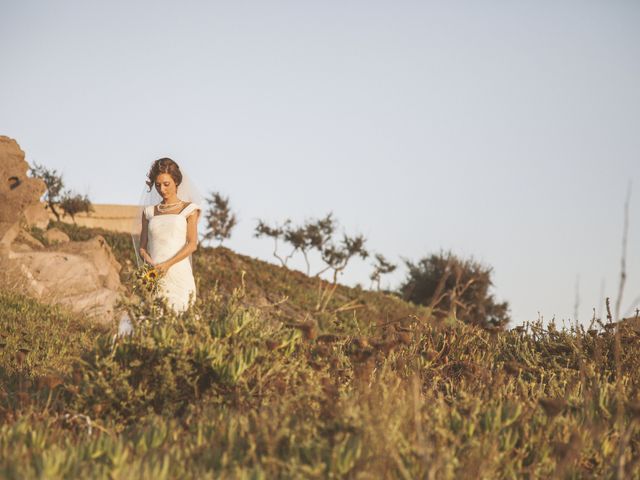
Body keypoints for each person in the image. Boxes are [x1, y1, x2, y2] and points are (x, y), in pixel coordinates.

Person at [137, 158, 201, 312]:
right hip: (155, 274)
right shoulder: (149, 212)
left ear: (176, 182)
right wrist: (151, 265)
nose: (162, 189)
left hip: (179, 272)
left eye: (167, 184)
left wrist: (167, 265)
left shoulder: (189, 209)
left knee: (180, 318)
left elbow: (192, 244)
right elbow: (142, 248)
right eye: (158, 185)